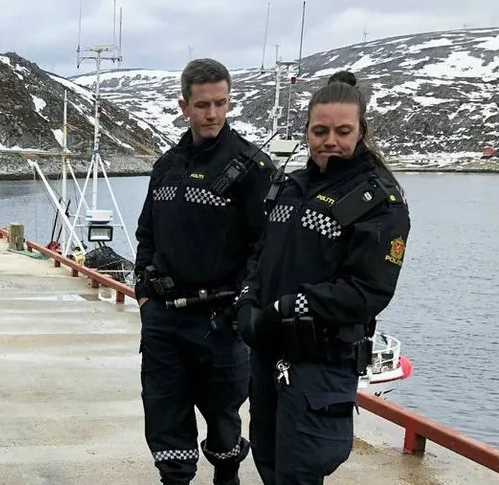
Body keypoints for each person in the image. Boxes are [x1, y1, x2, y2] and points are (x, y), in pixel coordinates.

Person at [234, 70, 411, 484]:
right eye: (320, 130)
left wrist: (283, 308)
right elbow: (261, 255)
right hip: (268, 355)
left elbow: (369, 291)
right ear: (308, 131)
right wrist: (246, 301)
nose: (330, 140)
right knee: (268, 462)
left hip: (320, 363)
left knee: (301, 472)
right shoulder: (289, 188)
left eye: (342, 130)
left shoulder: (379, 201)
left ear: (361, 131)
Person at [133, 58, 276, 485]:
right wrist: (143, 291)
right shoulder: (167, 165)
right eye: (202, 105)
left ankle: (226, 476)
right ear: (184, 105)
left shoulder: (253, 168)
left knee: (223, 420)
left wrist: (244, 305)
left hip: (221, 323)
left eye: (220, 103)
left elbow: (266, 247)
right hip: (163, 318)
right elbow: (146, 232)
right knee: (164, 414)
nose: (212, 114)